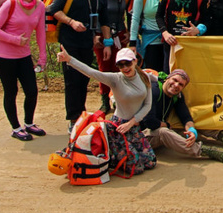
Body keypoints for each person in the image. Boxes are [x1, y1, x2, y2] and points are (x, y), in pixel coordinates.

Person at [57, 46, 156, 176]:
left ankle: (113, 154)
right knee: (136, 168)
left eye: (127, 63)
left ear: (135, 61)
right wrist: (69, 59)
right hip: (118, 127)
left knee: (150, 162)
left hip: (133, 125)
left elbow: (147, 105)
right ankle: (110, 156)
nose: (125, 68)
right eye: (120, 65)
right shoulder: (115, 79)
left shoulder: (145, 77)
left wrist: (132, 123)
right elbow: (91, 72)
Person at [49, 0, 112, 127]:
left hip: (86, 41)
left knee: (84, 78)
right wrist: (71, 22)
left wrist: (107, 43)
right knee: (72, 80)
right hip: (69, 40)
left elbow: (105, 19)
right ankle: (73, 119)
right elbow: (55, 9)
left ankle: (80, 114)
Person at [0, 0, 47, 141]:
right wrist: (15, 40)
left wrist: (42, 57)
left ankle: (29, 123)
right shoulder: (10, 4)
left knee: (31, 90)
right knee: (11, 91)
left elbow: (41, 33)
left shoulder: (40, 6)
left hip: (24, 55)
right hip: (3, 56)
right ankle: (16, 128)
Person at [139, 69, 223, 164]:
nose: (176, 85)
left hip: (157, 128)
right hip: (140, 137)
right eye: (175, 80)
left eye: (181, 84)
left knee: (195, 117)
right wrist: (166, 125)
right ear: (167, 78)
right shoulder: (153, 91)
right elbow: (149, 122)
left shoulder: (177, 95)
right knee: (163, 132)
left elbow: (185, 117)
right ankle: (204, 150)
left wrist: (191, 131)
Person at [155, 0, 208, 74]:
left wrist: (198, 30)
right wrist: (165, 33)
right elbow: (159, 15)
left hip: (190, 44)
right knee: (168, 76)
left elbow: (206, 20)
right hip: (170, 42)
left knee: (188, 77)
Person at [96, 0, 131, 114]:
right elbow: (95, 16)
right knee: (104, 68)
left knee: (120, 67)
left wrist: (129, 32)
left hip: (120, 34)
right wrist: (97, 36)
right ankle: (105, 101)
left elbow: (130, 13)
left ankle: (117, 99)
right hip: (102, 36)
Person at [129, 0, 165, 65]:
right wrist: (133, 43)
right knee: (152, 72)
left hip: (168, 40)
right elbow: (135, 18)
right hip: (150, 41)